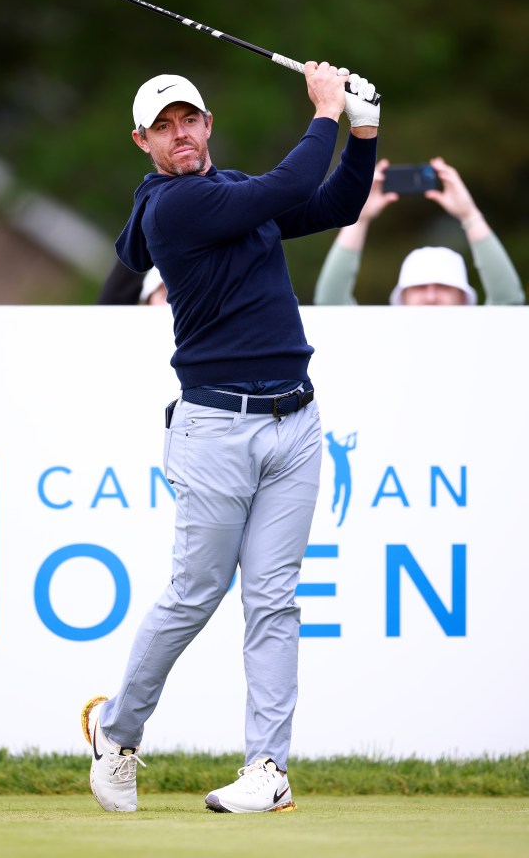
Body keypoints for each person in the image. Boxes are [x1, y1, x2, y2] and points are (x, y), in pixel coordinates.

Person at [80, 66, 380, 814]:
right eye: (164, 125)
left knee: (275, 601)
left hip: (297, 423)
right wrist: (325, 111)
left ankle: (267, 768)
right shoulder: (171, 207)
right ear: (142, 141)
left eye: (191, 120)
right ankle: (117, 736)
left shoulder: (237, 194)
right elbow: (283, 186)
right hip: (216, 428)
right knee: (194, 594)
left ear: (207, 124)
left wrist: (364, 133)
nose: (180, 134)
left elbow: (335, 199)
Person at [313, 158, 525, 305]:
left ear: (462, 298)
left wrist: (470, 216)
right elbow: (331, 302)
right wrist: (358, 220)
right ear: (402, 298)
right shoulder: (380, 343)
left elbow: (508, 302)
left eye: (443, 286)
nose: (431, 297)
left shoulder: (485, 339)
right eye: (420, 287)